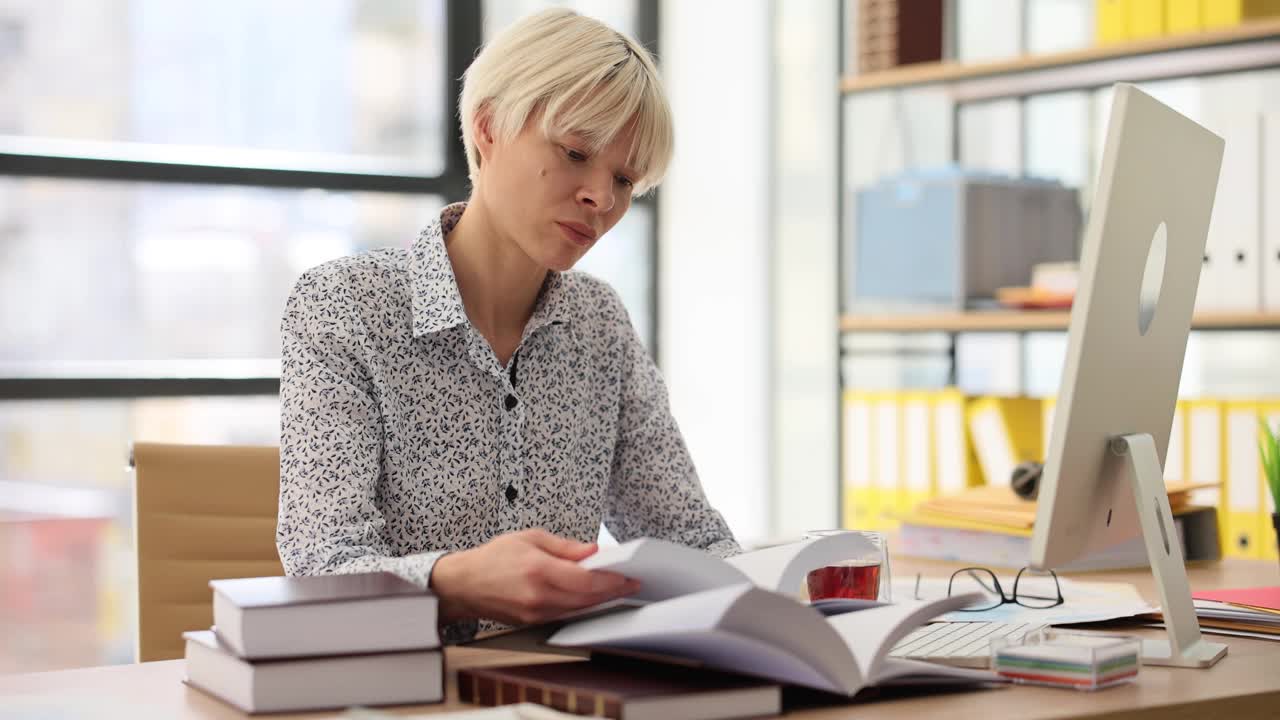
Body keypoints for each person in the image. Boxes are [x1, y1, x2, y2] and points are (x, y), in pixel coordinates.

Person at [275, 8, 739, 643]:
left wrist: (793, 600)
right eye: (576, 153)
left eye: (625, 179)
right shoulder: (345, 308)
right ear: (489, 126)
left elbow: (686, 539)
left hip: (568, 690)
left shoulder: (599, 324)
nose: (602, 199)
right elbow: (321, 572)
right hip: (404, 694)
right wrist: (455, 581)